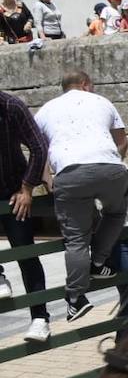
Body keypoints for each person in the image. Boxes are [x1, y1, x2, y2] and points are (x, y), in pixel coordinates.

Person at [33, 71, 128, 321]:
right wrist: (108, 165)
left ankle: (75, 299)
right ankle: (98, 263)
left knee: (76, 240)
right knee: (115, 212)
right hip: (110, 168)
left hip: (70, 172)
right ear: (86, 84)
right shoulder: (102, 101)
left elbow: (37, 149)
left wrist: (47, 178)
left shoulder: (46, 109)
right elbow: (122, 142)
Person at [0, 89, 52, 342]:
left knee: (26, 253)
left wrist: (27, 187)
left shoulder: (11, 106)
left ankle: (40, 318)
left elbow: (39, 146)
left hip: (13, 191)